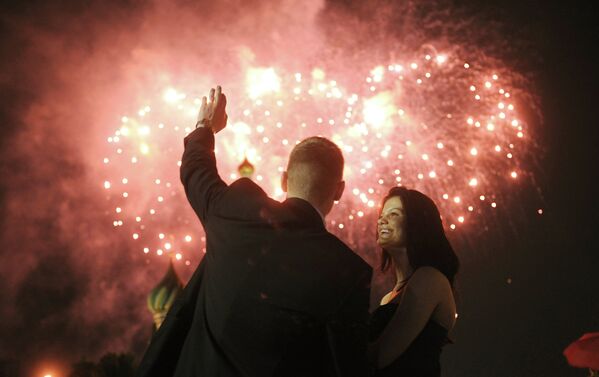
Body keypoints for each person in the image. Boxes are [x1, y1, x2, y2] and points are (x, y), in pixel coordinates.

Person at [136, 86, 372, 377]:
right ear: (339, 190)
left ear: (284, 180)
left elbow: (196, 171)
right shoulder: (348, 270)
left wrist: (205, 127)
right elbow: (347, 365)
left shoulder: (236, 209)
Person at [369, 187, 459, 377]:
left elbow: (380, 356)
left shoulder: (429, 279)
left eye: (394, 214)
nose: (381, 220)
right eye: (382, 215)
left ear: (417, 224)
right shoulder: (388, 297)